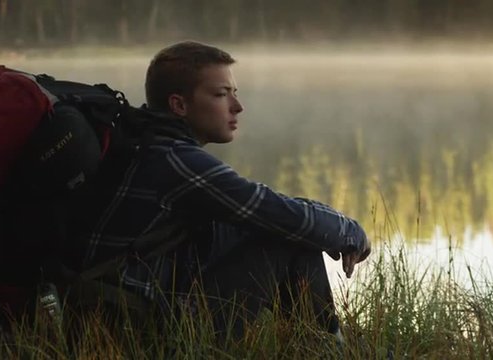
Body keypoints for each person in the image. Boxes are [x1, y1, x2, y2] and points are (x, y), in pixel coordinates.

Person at [68, 41, 371, 340]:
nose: (237, 106)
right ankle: (329, 349)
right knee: (286, 237)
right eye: (220, 94)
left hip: (124, 315)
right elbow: (272, 211)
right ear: (179, 105)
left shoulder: (147, 142)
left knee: (284, 230)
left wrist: (321, 224)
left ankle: (324, 346)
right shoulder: (176, 160)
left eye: (234, 93)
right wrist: (349, 231)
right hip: (133, 330)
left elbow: (266, 213)